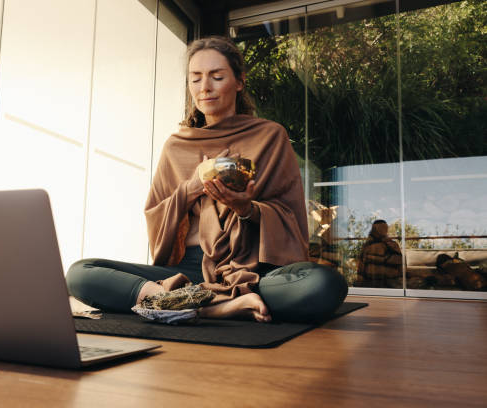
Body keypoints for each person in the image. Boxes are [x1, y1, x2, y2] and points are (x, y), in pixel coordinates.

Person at [67, 36, 348, 323]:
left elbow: (290, 216)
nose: (205, 88)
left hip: (250, 268)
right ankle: (215, 306)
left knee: (324, 284)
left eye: (216, 77)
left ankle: (180, 301)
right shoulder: (176, 146)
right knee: (81, 273)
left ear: (239, 82)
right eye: (196, 79)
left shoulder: (270, 136)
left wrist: (245, 208)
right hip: (187, 268)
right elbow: (156, 215)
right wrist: (189, 190)